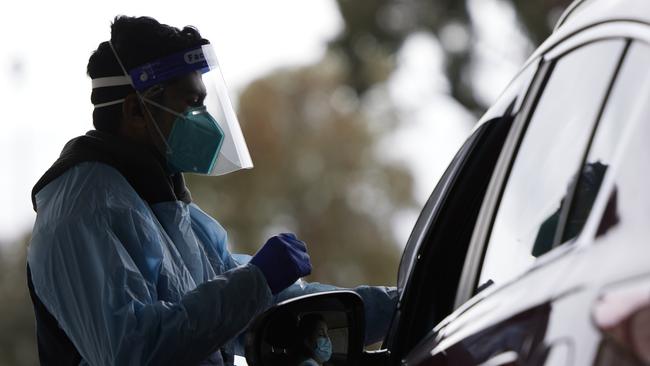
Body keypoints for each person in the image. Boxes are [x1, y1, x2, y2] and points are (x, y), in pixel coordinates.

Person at [26, 16, 397, 366]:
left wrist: (401, 305)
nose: (205, 120)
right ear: (136, 110)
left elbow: (266, 311)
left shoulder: (167, 209)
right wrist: (256, 280)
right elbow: (133, 350)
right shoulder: (80, 212)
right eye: (192, 103)